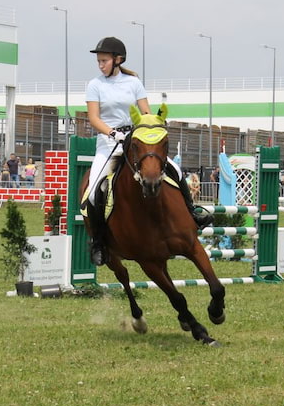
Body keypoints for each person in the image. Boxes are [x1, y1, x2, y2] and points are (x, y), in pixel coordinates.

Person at [84, 36, 211, 266]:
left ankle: (193, 213)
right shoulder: (95, 85)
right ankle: (99, 242)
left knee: (175, 170)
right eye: (99, 61)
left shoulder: (134, 83)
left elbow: (146, 113)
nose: (100, 65)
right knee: (94, 190)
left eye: (104, 60)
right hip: (108, 144)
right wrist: (113, 133)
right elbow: (93, 118)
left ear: (117, 59)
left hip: (137, 141)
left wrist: (148, 132)